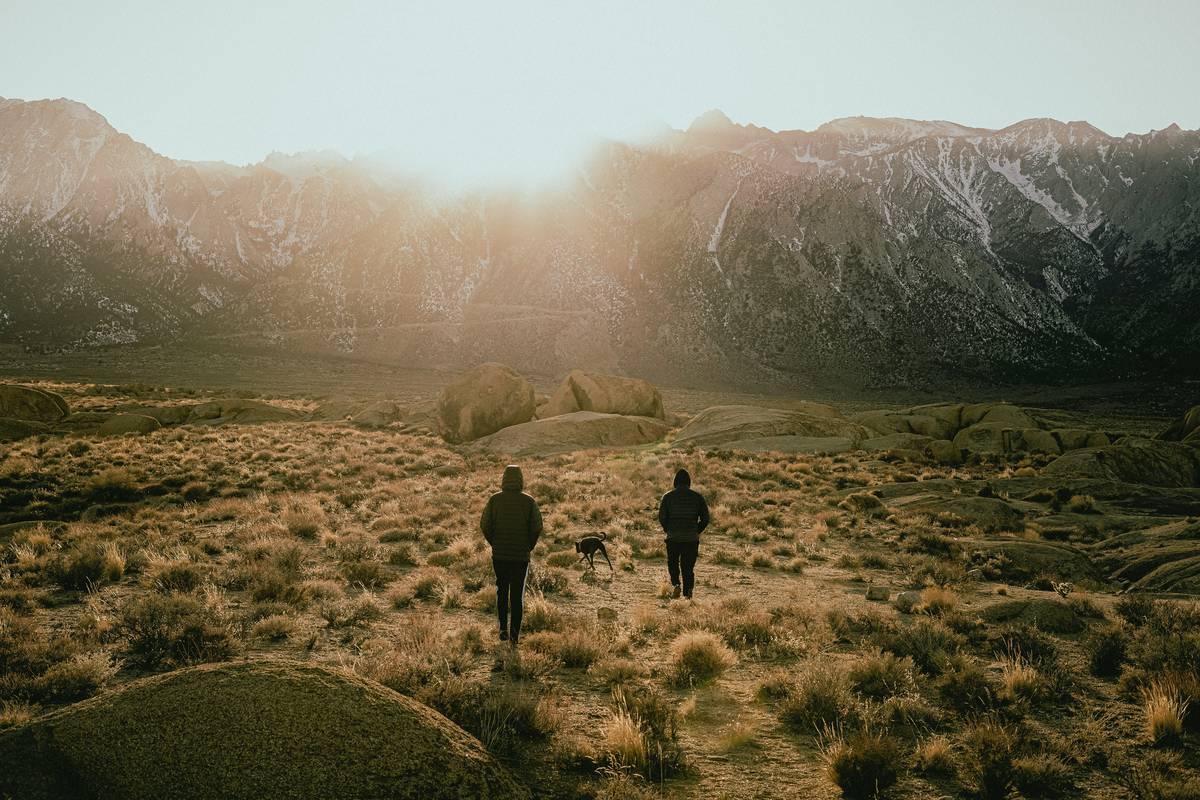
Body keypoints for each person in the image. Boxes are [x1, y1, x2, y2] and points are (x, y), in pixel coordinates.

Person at [480, 464, 543, 645]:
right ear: (521, 479)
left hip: (500, 555)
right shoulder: (529, 501)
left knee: (501, 591)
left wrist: (495, 543)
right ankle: (514, 637)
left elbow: (485, 525)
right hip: (520, 557)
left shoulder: (495, 500)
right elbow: (537, 527)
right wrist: (528, 546)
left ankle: (502, 629)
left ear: (504, 479)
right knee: (517, 596)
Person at [658, 468, 709, 599]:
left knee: (673, 564)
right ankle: (688, 592)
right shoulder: (698, 497)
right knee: (688, 567)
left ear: (675, 481)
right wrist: (696, 531)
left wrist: (668, 529)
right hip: (691, 539)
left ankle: (676, 584)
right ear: (688, 482)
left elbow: (662, 517)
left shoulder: (667, 497)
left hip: (673, 537)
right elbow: (705, 519)